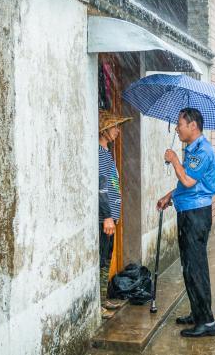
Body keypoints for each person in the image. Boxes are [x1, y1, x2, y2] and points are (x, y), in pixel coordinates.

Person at [157, 107, 215, 338]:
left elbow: (189, 180)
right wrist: (169, 196)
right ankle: (197, 313)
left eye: (180, 124)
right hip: (188, 212)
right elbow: (184, 186)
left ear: (193, 126)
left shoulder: (203, 151)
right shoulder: (193, 149)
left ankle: (208, 322)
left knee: (196, 268)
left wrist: (173, 160)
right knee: (189, 267)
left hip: (196, 216)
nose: (176, 128)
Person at [98, 110, 132, 319]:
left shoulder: (106, 152)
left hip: (110, 217)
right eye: (114, 127)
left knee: (107, 258)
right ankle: (97, 304)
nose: (118, 131)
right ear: (104, 129)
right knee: (101, 259)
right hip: (105, 218)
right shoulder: (99, 153)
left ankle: (103, 299)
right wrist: (108, 216)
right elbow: (100, 188)